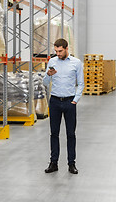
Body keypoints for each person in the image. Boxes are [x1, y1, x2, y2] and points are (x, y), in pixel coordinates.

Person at [42, 38, 84, 174]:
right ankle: (53, 162)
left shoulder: (76, 63)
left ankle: (71, 163)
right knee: (54, 133)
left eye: (60, 51)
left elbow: (81, 83)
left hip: (69, 102)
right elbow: (45, 82)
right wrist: (48, 75)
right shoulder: (52, 62)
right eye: (56, 51)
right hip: (54, 101)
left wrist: (75, 100)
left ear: (66, 49)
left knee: (70, 134)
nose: (58, 54)